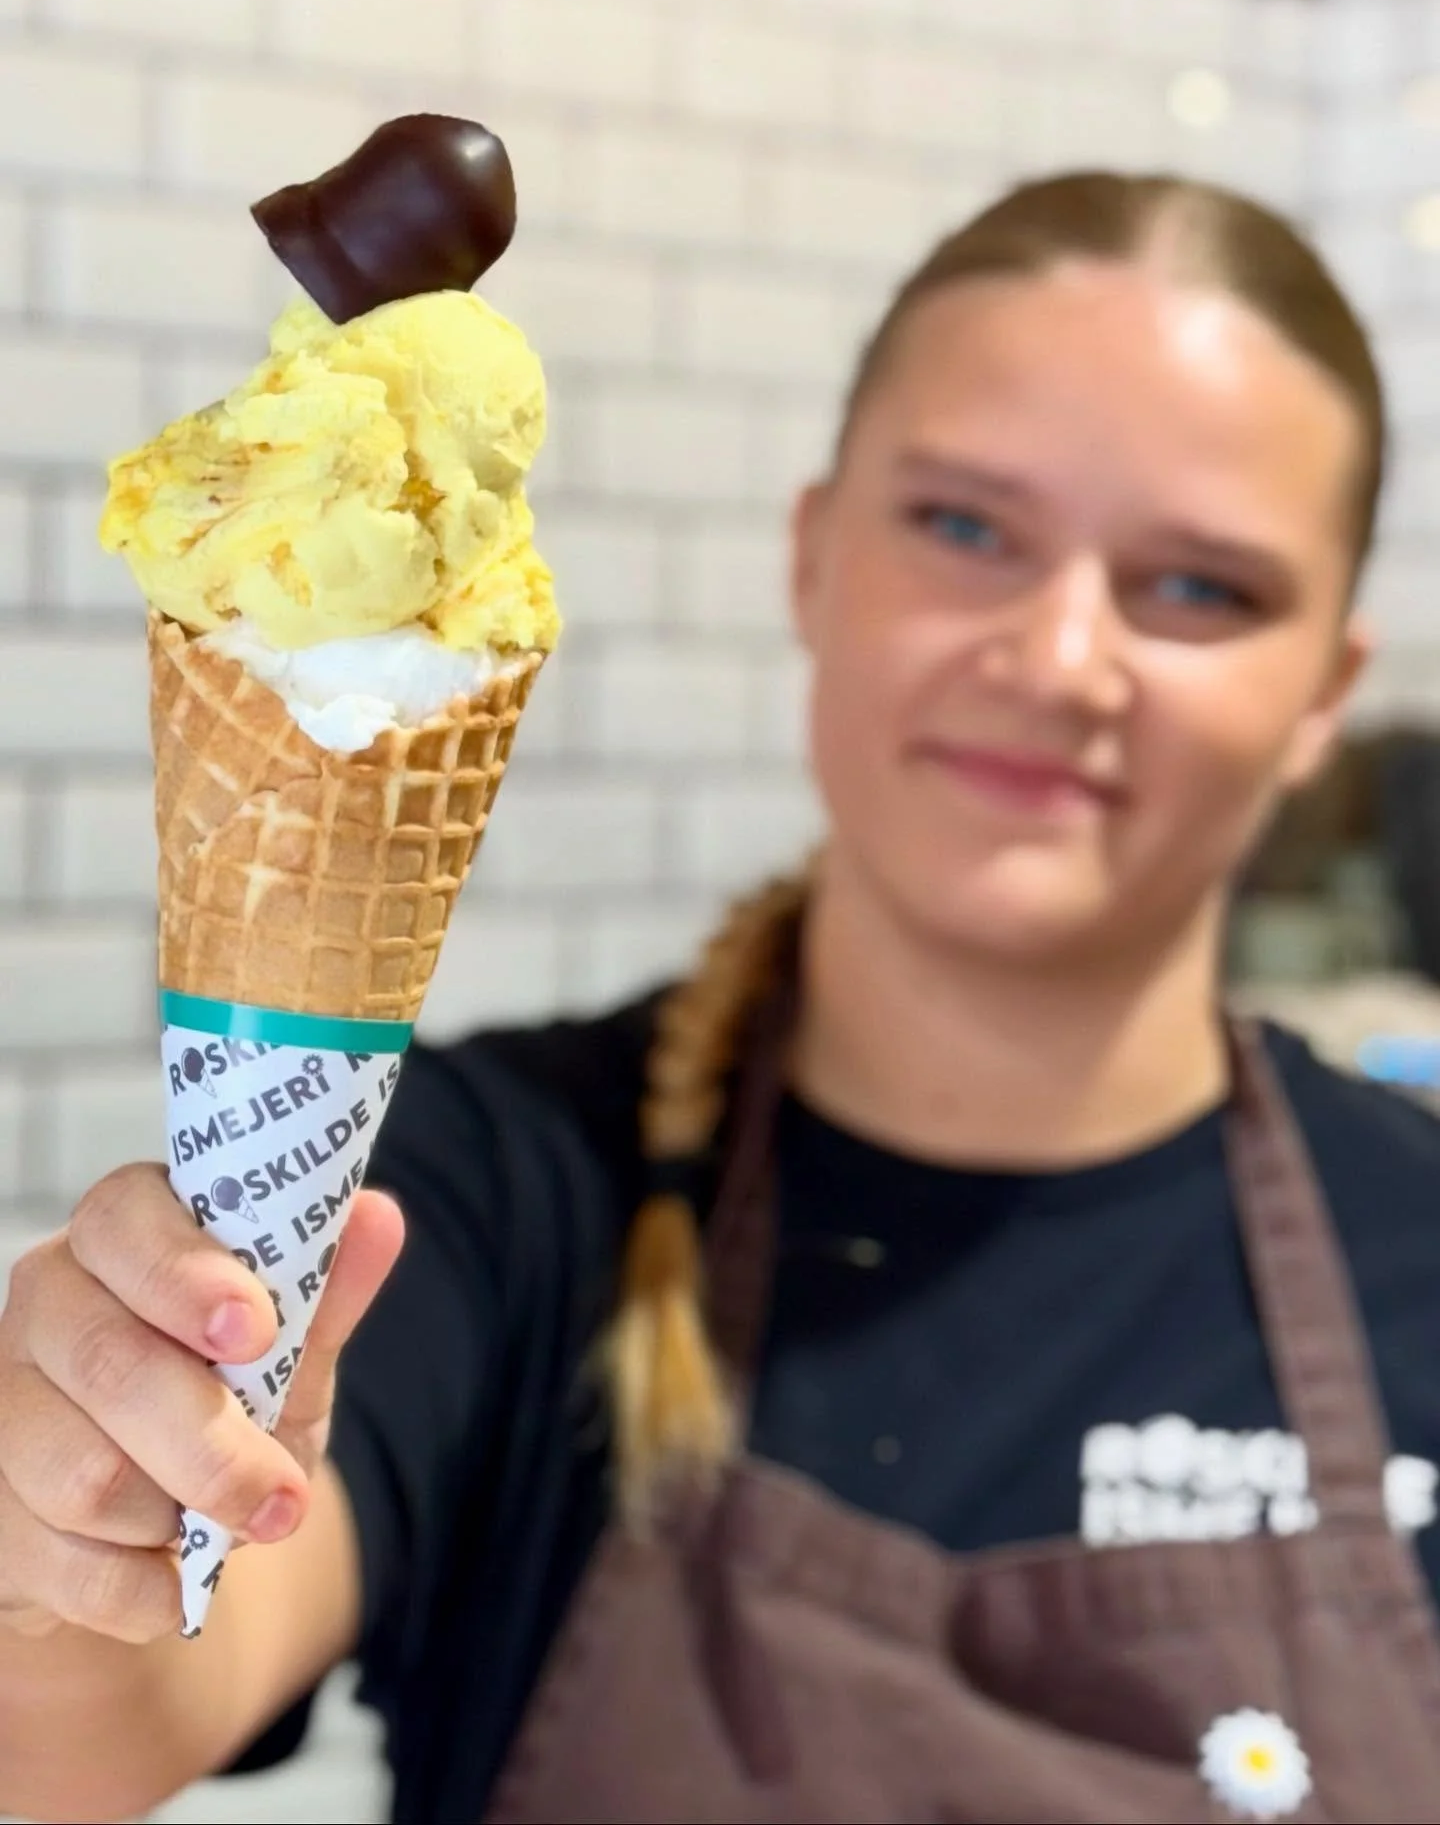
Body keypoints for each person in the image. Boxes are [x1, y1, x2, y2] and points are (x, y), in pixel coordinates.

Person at [4, 169, 1440, 1825]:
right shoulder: (496, 1190)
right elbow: (83, 1730)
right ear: (817, 558)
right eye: (965, 527)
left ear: (1328, 689)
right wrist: (62, 1543)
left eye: (1200, 588)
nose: (1058, 658)